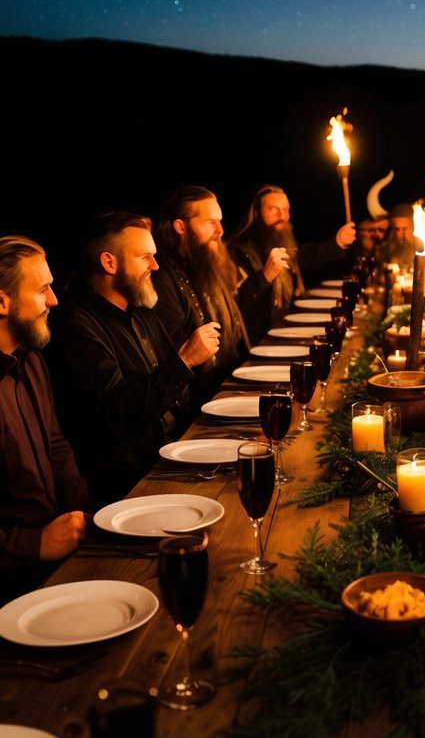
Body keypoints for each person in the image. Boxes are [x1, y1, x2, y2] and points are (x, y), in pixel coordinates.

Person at [48, 213, 219, 505]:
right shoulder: (77, 324)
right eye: (145, 257)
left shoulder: (140, 309)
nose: (155, 265)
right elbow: (113, 415)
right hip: (131, 485)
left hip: (174, 453)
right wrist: (185, 361)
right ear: (109, 262)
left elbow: (174, 391)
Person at [0, 236, 90, 603]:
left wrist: (86, 515)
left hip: (59, 561)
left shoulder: (32, 361)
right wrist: (35, 544)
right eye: (42, 290)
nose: (54, 300)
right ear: (2, 302)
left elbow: (56, 446)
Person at [153, 186, 251, 405]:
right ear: (180, 226)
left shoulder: (203, 263)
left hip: (226, 389)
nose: (220, 230)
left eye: (220, 221)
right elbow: (181, 358)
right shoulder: (163, 280)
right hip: (199, 408)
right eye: (210, 223)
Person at [227, 184, 355, 344]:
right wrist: (265, 276)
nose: (282, 216)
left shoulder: (281, 241)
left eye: (286, 210)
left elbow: (304, 256)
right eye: (274, 210)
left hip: (285, 331)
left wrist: (337, 242)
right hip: (258, 342)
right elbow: (238, 303)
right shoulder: (239, 252)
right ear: (257, 212)